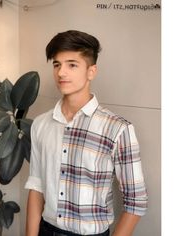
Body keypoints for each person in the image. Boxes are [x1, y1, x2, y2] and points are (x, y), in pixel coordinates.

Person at [25, 30, 148, 236]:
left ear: (91, 71)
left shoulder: (118, 129)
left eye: (72, 64)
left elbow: (136, 201)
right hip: (46, 230)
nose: (61, 72)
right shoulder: (40, 124)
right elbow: (36, 186)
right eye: (57, 64)